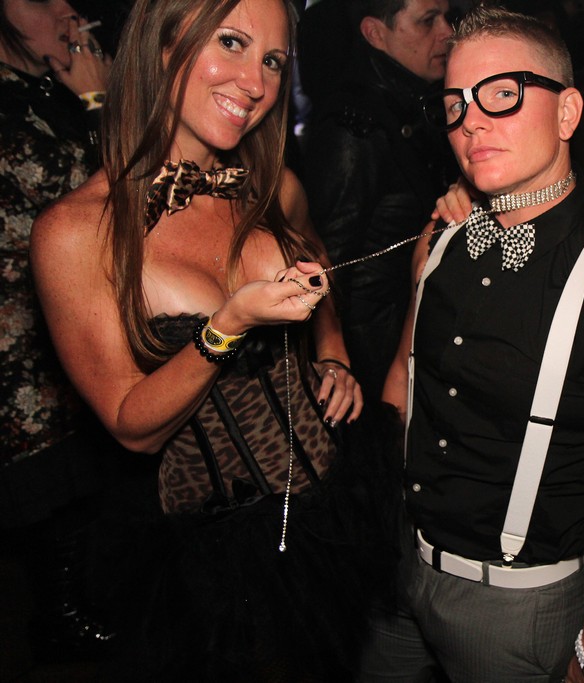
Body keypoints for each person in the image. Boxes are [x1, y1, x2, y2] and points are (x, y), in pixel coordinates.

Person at [30, 0, 394, 679]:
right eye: (230, 43)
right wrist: (226, 327)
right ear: (163, 46)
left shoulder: (271, 187)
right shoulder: (77, 233)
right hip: (221, 561)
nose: (255, 83)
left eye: (274, 61)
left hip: (334, 506)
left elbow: (319, 262)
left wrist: (333, 352)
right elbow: (132, 426)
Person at [367, 6, 584, 682]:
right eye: (454, 104)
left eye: (502, 94)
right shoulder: (440, 239)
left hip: (515, 611)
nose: (471, 121)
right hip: (398, 568)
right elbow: (402, 380)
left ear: (567, 112)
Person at [0, 0, 114, 662]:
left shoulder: (48, 88)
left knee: (82, 490)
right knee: (50, 493)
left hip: (67, 324)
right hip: (23, 341)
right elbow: (93, 206)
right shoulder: (13, 108)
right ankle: (61, 621)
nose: (66, 10)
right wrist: (98, 102)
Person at [300, 0, 458, 401]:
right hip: (372, 365)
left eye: (446, 17)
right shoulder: (355, 127)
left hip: (411, 343)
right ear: (375, 33)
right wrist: (341, 366)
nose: (447, 32)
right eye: (428, 21)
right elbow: (326, 265)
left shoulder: (420, 103)